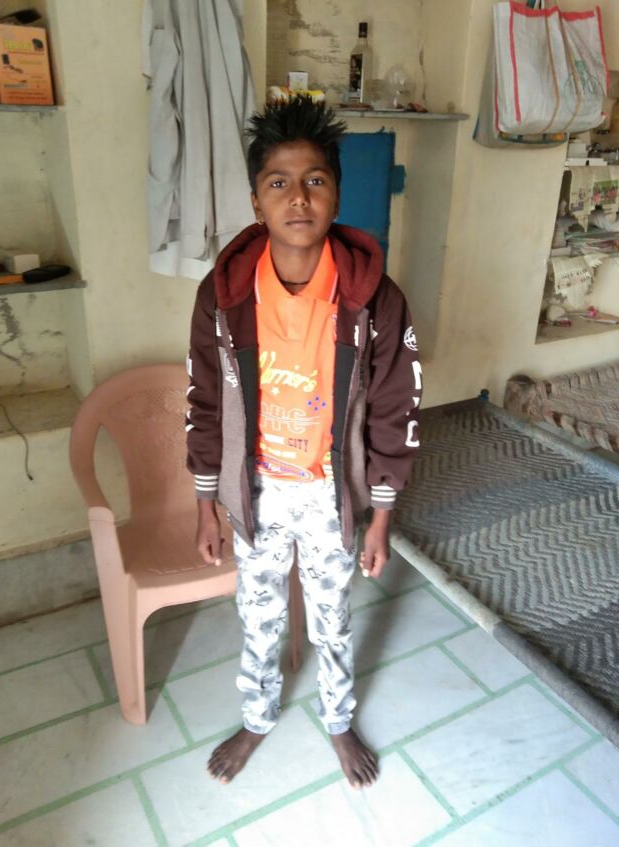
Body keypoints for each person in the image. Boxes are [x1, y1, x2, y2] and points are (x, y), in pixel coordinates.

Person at [186, 95, 422, 789]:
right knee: (258, 615)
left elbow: (394, 407)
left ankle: (338, 718)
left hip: (329, 491)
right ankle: (258, 717)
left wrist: (380, 516)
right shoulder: (224, 297)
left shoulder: (373, 298)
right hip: (256, 490)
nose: (298, 197)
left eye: (315, 179)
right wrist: (207, 502)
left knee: (332, 617)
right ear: (256, 201)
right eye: (279, 182)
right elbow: (204, 400)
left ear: (337, 194)